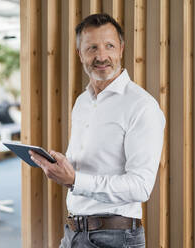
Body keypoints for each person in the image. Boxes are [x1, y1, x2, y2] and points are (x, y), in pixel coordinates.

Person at [29, 13, 165, 248]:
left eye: (109, 46)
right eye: (92, 48)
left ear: (121, 49)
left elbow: (141, 187)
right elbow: (88, 166)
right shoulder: (82, 102)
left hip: (116, 239)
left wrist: (74, 180)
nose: (101, 56)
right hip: (73, 233)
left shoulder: (142, 106)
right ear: (79, 53)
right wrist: (57, 165)